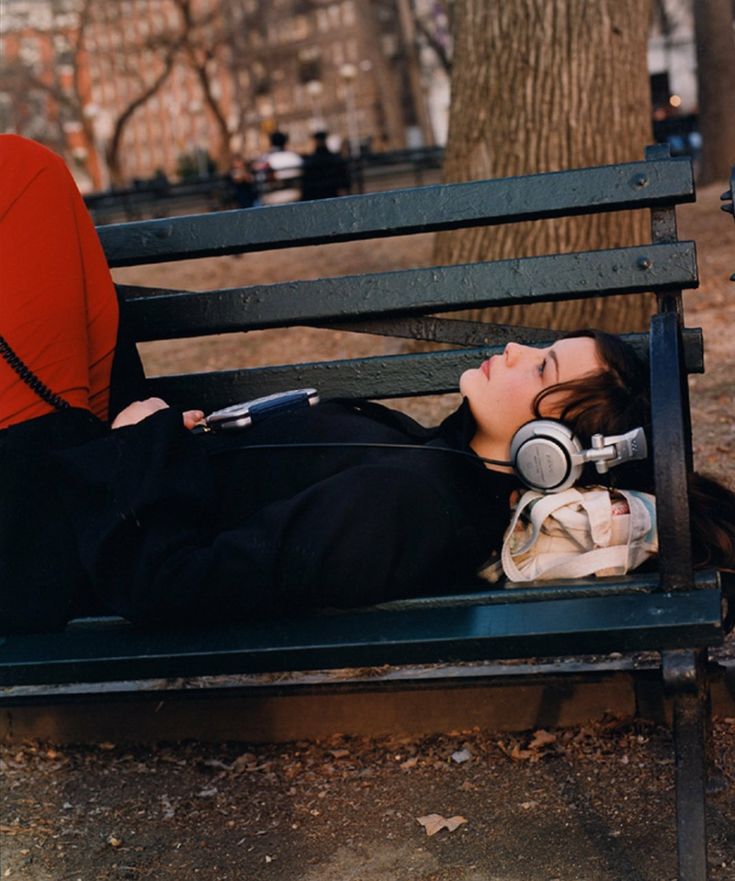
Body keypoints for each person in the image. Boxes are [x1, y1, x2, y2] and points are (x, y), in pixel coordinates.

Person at [1, 135, 733, 635]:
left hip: (50, 538)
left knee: (23, 174)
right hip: (82, 487)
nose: (513, 347)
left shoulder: (408, 507)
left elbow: (171, 587)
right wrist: (177, 442)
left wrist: (147, 448)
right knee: (42, 187)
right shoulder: (428, 467)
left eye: (540, 367)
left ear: (549, 453)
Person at [253, 130, 303, 205]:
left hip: (273, 200)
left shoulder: (266, 159)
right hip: (296, 196)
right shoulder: (295, 158)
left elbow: (259, 180)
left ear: (271, 143)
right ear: (285, 142)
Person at [300, 131, 350, 201]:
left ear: (315, 142)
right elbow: (345, 181)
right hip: (333, 191)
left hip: (316, 194)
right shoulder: (335, 159)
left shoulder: (310, 161)